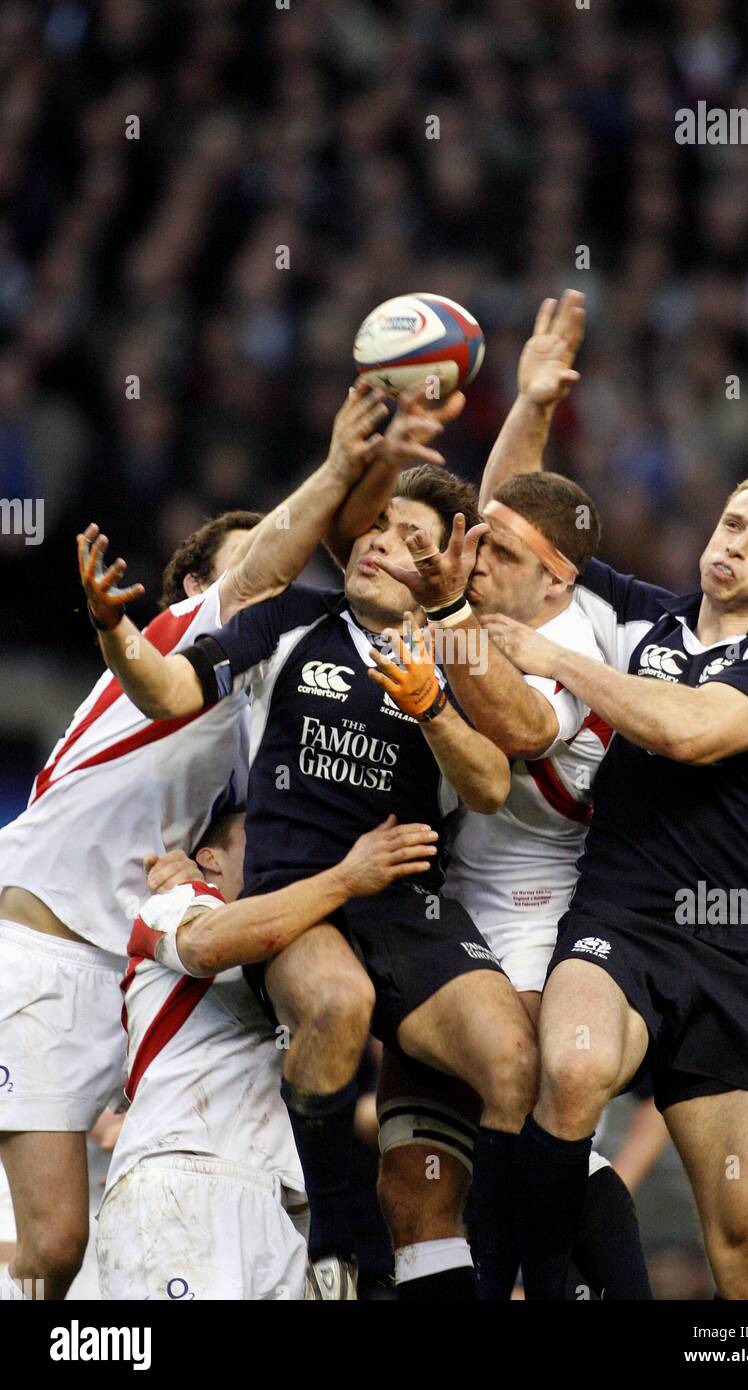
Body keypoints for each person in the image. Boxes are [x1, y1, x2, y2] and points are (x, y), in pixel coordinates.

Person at [0, 379, 443, 1301]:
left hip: (126, 973)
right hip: (46, 952)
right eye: (254, 564)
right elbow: (252, 582)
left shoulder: (255, 721)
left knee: (72, 1256)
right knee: (48, 1248)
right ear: (199, 589)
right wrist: (341, 466)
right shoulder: (180, 635)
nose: (280, 581)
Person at [78, 462, 539, 1301]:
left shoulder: (454, 659)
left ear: (439, 571)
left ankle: (502, 1280)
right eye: (378, 527)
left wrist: (432, 705)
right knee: (336, 1005)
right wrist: (118, 634)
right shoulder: (291, 622)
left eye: (411, 540)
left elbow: (491, 787)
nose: (379, 545)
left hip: (407, 898)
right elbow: (172, 688)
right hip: (299, 893)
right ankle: (336, 1241)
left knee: (512, 1061)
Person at [476, 323, 748, 1298]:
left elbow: (689, 731)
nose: (733, 546)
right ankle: (543, 1288)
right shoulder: (636, 609)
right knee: (573, 1068)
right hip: (619, 918)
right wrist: (534, 404)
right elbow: (510, 527)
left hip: (733, 955)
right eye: (730, 524)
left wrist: (554, 657)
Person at [338, 291, 664, 1299]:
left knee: (523, 1103)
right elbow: (497, 510)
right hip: (436, 899)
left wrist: (443, 610)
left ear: (555, 583)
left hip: (534, 906)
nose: (472, 557)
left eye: (500, 556)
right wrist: (526, 404)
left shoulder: (575, 641)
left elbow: (521, 728)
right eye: (476, 543)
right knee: (413, 1176)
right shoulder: (491, 588)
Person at [97, 808, 438, 1301]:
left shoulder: (311, 949)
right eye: (261, 840)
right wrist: (346, 877)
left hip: (281, 1205)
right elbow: (209, 946)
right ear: (209, 860)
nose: (281, 852)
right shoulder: (183, 901)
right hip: (183, 1178)